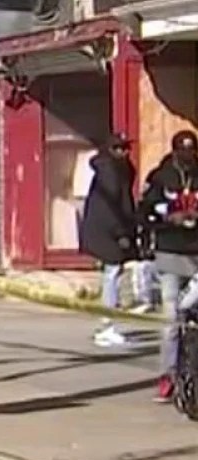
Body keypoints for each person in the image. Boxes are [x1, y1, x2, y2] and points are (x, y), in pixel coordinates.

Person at [140, 129, 198, 403]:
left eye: (192, 150)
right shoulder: (160, 177)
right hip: (170, 252)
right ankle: (168, 375)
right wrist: (170, 218)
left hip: (196, 252)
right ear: (174, 151)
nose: (188, 156)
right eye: (183, 150)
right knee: (171, 319)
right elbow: (145, 211)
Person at [80, 133, 141, 348]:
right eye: (119, 148)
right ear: (111, 150)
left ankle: (108, 323)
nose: (124, 153)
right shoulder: (110, 173)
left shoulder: (119, 171)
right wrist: (121, 233)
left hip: (110, 230)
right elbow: (110, 209)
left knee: (114, 275)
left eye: (126, 148)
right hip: (107, 232)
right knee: (112, 276)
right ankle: (107, 326)